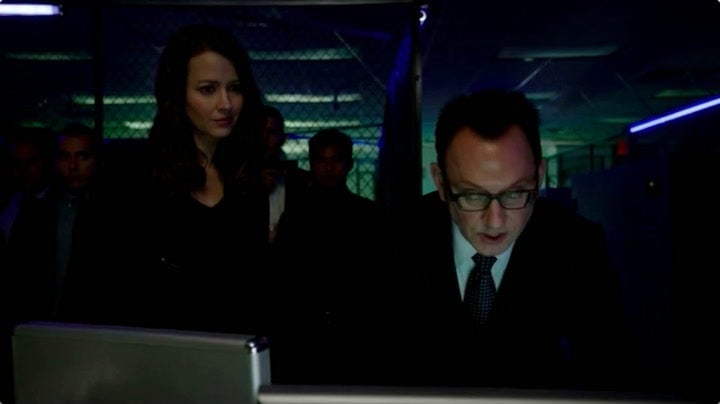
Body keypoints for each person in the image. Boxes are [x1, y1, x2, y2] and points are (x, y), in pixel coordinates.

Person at [389, 88, 637, 391]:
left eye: (516, 193)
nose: (495, 221)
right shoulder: (391, 241)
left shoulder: (576, 245)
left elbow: (609, 365)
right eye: (472, 195)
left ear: (539, 176)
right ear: (441, 182)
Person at [105, 23, 270, 335]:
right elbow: (112, 291)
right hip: (157, 354)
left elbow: (253, 294)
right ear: (176, 94)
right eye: (208, 89)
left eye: (235, 88)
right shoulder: (134, 178)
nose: (226, 103)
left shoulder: (247, 181)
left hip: (230, 355)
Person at [268, 128, 391, 385]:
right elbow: (283, 274)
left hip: (350, 325)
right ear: (311, 164)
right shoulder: (297, 215)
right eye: (321, 160)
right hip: (307, 325)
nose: (328, 168)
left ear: (349, 164)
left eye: (335, 160)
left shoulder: (368, 215)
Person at [259, 104, 308, 243]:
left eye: (271, 132)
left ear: (282, 138)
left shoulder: (300, 182)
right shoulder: (233, 180)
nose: (264, 138)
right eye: (258, 132)